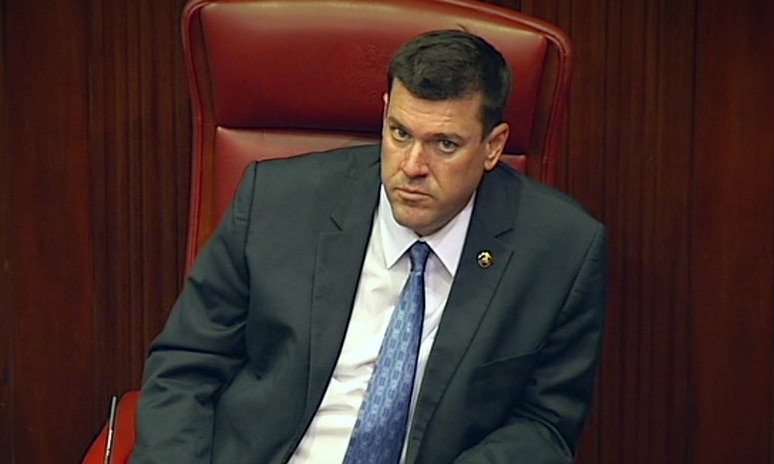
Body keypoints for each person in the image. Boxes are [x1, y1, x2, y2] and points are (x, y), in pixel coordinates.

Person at [130, 29, 607, 464]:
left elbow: (545, 425)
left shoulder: (559, 249)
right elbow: (185, 367)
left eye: (444, 144)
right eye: (400, 133)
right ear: (384, 115)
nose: (412, 166)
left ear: (493, 146)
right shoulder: (277, 202)